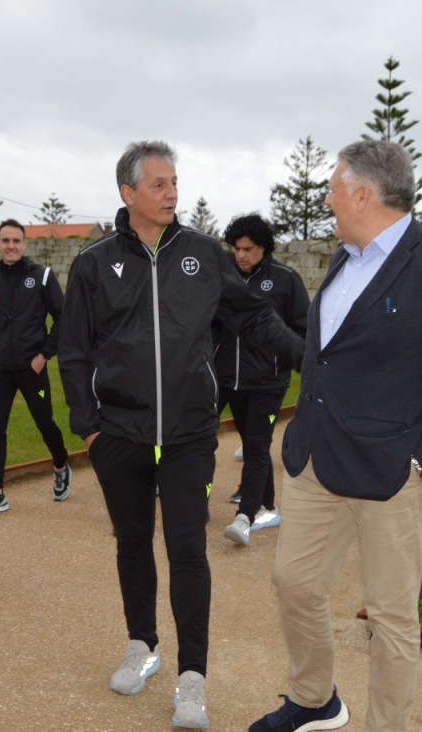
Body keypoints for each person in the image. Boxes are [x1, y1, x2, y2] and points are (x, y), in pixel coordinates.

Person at [251, 140, 422, 732]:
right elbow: (330, 358)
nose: (327, 198)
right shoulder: (347, 256)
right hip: (319, 461)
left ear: (364, 194)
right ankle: (315, 699)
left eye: (335, 188)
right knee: (293, 582)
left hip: (394, 472)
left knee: (392, 618)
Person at [59, 140, 304, 730]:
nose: (174, 193)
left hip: (191, 434)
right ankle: (142, 645)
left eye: (175, 182)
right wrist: (89, 429)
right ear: (129, 192)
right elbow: (73, 352)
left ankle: (192, 676)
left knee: (188, 552)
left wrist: (310, 356)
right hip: (119, 435)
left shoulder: (203, 254)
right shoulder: (93, 264)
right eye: (161, 184)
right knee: (132, 545)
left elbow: (251, 318)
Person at [213, 213, 309, 547]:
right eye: (236, 248)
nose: (240, 255)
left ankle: (245, 517)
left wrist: (279, 361)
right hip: (228, 380)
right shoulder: (225, 278)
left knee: (256, 445)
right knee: (247, 442)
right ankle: (268, 505)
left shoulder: (286, 279)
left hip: (267, 383)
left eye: (247, 249)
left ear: (263, 248)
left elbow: (303, 329)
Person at [0, 218, 72, 517]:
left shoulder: (41, 276)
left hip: (33, 369)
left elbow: (62, 317)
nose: (11, 246)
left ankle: (60, 465)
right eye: (5, 240)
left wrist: (43, 355)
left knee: (46, 424)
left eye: (16, 241)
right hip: (1, 369)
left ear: (25, 244)